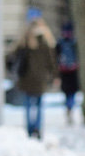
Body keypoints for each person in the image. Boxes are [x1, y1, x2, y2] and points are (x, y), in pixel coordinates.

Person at [11, 11, 59, 140]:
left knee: (28, 105)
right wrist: (55, 76)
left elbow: (13, 56)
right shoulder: (46, 40)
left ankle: (29, 128)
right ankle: (37, 128)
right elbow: (51, 61)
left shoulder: (24, 40)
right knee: (39, 105)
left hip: (26, 78)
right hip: (40, 78)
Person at [56, 22, 80, 124]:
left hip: (65, 71)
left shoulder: (60, 43)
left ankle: (69, 108)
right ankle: (70, 108)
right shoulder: (73, 42)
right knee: (71, 93)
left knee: (68, 93)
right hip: (71, 71)